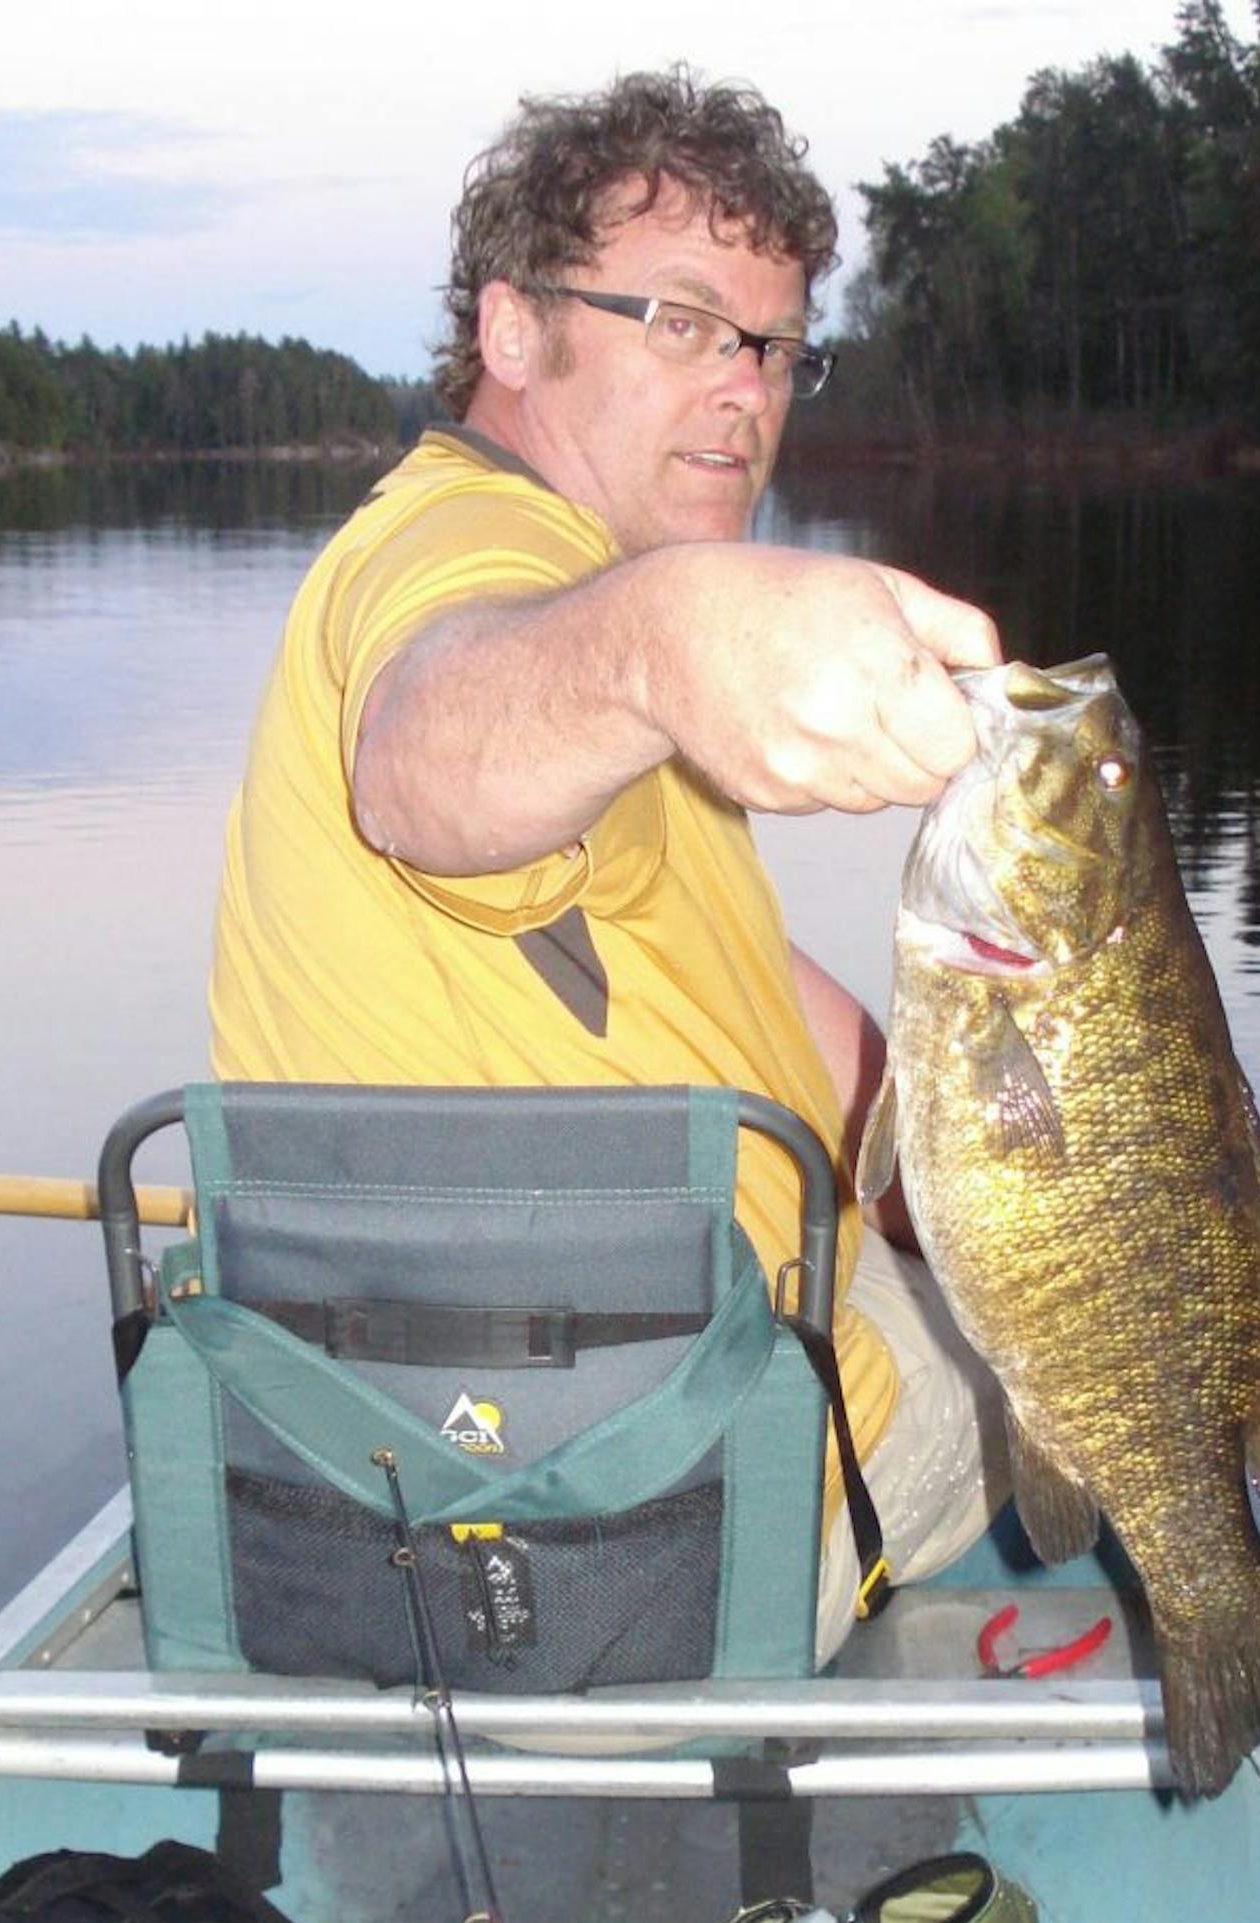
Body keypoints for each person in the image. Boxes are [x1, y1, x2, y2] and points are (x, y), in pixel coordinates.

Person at [209, 65, 1006, 1658]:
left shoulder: (590, 592)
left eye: (775, 345)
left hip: (487, 1428)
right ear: (513, 332)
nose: (746, 392)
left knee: (1030, 1280)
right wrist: (666, 642)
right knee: (1057, 1392)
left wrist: (945, 1168)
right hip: (642, 1511)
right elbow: (423, 759)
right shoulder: (462, 551)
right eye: (685, 322)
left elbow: (725, 971)